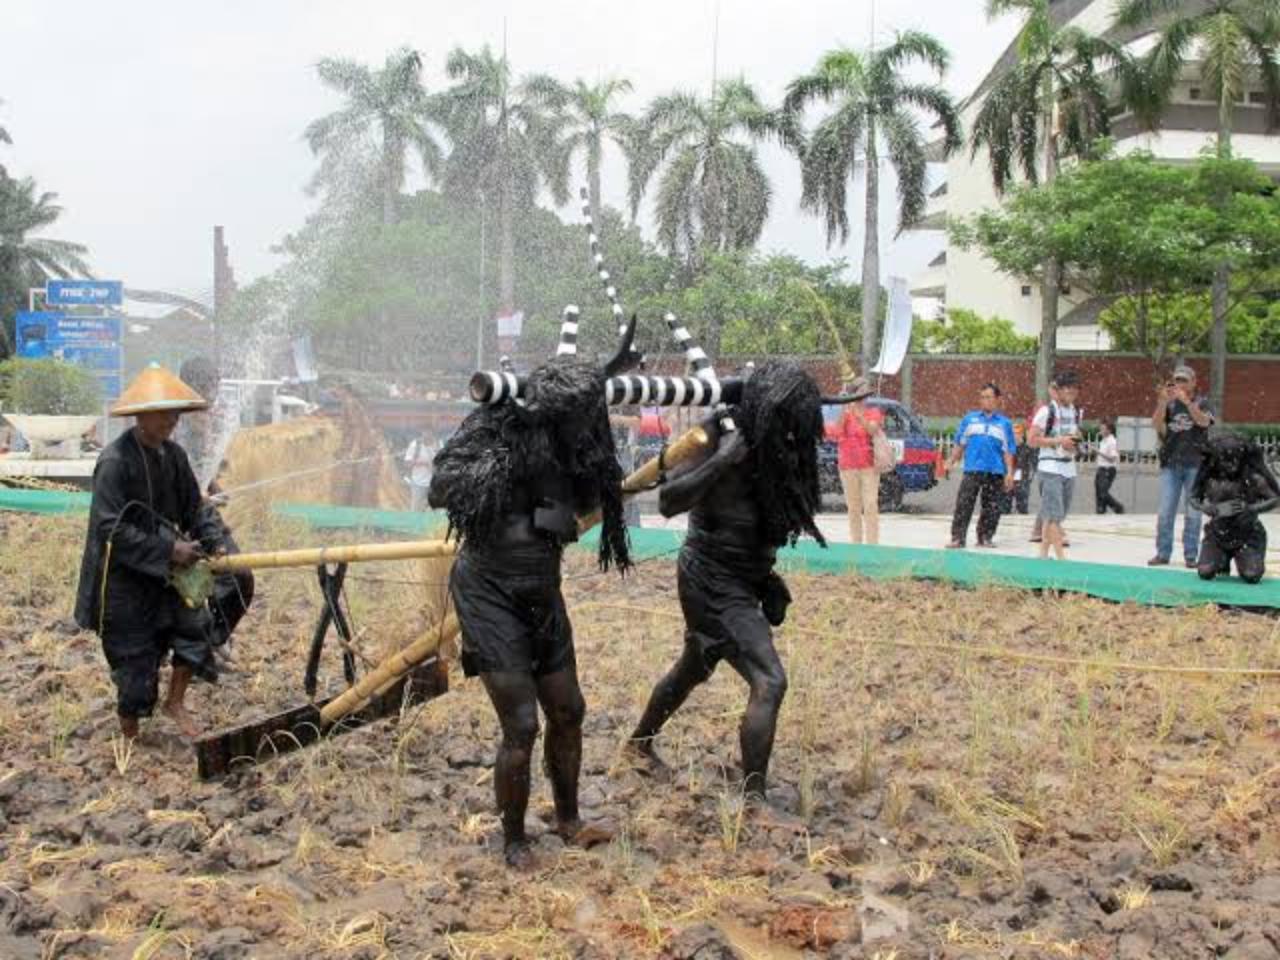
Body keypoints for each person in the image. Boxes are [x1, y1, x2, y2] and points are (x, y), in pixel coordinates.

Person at [429, 322, 636, 868]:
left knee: (568, 709)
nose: (584, 427)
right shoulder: (498, 423)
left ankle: (567, 819)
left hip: (542, 586)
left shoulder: (584, 443)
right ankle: (514, 839)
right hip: (487, 588)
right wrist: (510, 465)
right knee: (521, 723)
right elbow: (439, 486)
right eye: (574, 419)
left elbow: (597, 497)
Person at [627, 361, 828, 807]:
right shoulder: (716, 434)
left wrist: (765, 574)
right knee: (770, 680)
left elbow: (770, 515)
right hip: (709, 576)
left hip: (744, 576)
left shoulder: (782, 445)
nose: (796, 432)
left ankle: (639, 743)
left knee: (695, 664)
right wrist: (721, 460)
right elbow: (667, 501)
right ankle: (753, 800)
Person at [74, 364, 222, 740]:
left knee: (195, 630)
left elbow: (194, 507)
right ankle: (130, 734)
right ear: (140, 416)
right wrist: (170, 549)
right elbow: (110, 528)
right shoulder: (114, 462)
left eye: (176, 413)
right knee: (135, 662)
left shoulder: (174, 456)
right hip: (124, 576)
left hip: (167, 571)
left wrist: (213, 540)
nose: (173, 421)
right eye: (164, 413)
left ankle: (176, 702)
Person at [1189, 434, 1280, 584]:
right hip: (1218, 533)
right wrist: (1206, 507)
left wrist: (1251, 508)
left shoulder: (1253, 478)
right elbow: (1193, 498)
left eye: (1233, 461)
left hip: (1247, 534)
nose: (1229, 466)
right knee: (1205, 572)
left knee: (1251, 575)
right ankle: (1222, 559)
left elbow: (1275, 498)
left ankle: (1246, 557)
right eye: (1224, 461)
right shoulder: (1209, 476)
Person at [1150, 366, 1215, 568]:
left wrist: (1188, 403)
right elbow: (1156, 425)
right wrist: (1162, 402)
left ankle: (1191, 555)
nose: (1181, 384)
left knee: (1193, 512)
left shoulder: (1202, 402)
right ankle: (1162, 553)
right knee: (1165, 511)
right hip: (1171, 464)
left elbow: (1204, 422)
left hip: (1195, 464)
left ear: (1194, 382)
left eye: (1185, 380)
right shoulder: (1169, 405)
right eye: (1177, 380)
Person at [946, 383, 1016, 549]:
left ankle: (985, 537)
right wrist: (950, 462)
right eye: (982, 397)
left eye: (989, 397)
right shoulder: (969, 420)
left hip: (995, 471)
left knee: (992, 507)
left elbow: (1008, 450)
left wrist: (1010, 473)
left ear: (998, 400)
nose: (985, 401)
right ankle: (958, 537)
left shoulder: (1004, 424)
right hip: (972, 469)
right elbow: (960, 444)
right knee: (964, 504)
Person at [1029, 371, 1082, 561]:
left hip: (1069, 467)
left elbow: (1074, 434)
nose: (1072, 391)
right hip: (1050, 468)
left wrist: (1075, 441)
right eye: (1067, 387)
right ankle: (1061, 558)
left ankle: (1043, 554)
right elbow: (1032, 440)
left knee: (1056, 515)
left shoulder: (1074, 411)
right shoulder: (1046, 411)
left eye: (1075, 388)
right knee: (1053, 514)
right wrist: (1060, 441)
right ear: (1057, 390)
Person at [834, 377, 882, 544]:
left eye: (866, 391)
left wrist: (857, 413)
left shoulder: (873, 411)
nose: (864, 394)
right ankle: (856, 543)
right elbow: (837, 431)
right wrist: (844, 407)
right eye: (862, 390)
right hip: (848, 465)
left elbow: (871, 429)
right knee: (853, 507)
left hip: (869, 465)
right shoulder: (846, 410)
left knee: (870, 505)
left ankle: (872, 544)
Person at [1094, 418, 1125, 515]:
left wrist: (1098, 452)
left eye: (1103, 429)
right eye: (1101, 428)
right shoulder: (1103, 441)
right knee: (1099, 493)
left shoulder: (1112, 441)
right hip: (1101, 469)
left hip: (1108, 470)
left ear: (1109, 430)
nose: (1101, 431)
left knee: (1103, 493)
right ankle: (1100, 511)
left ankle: (1118, 507)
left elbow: (1112, 458)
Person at [404, 427, 437, 512]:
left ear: (433, 434)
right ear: (422, 433)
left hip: (433, 485)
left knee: (432, 510)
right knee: (416, 510)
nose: (427, 435)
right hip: (418, 484)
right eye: (425, 432)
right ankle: (414, 524)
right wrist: (423, 463)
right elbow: (407, 463)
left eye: (429, 432)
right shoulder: (415, 445)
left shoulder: (438, 445)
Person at [1011, 419, 1036, 515]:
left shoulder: (1027, 448)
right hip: (1009, 479)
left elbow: (1033, 464)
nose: (1015, 435)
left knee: (1022, 506)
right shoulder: (1007, 449)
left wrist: (1029, 477)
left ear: (1022, 434)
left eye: (1017, 433)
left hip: (1022, 480)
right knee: (1004, 506)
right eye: (1013, 433)